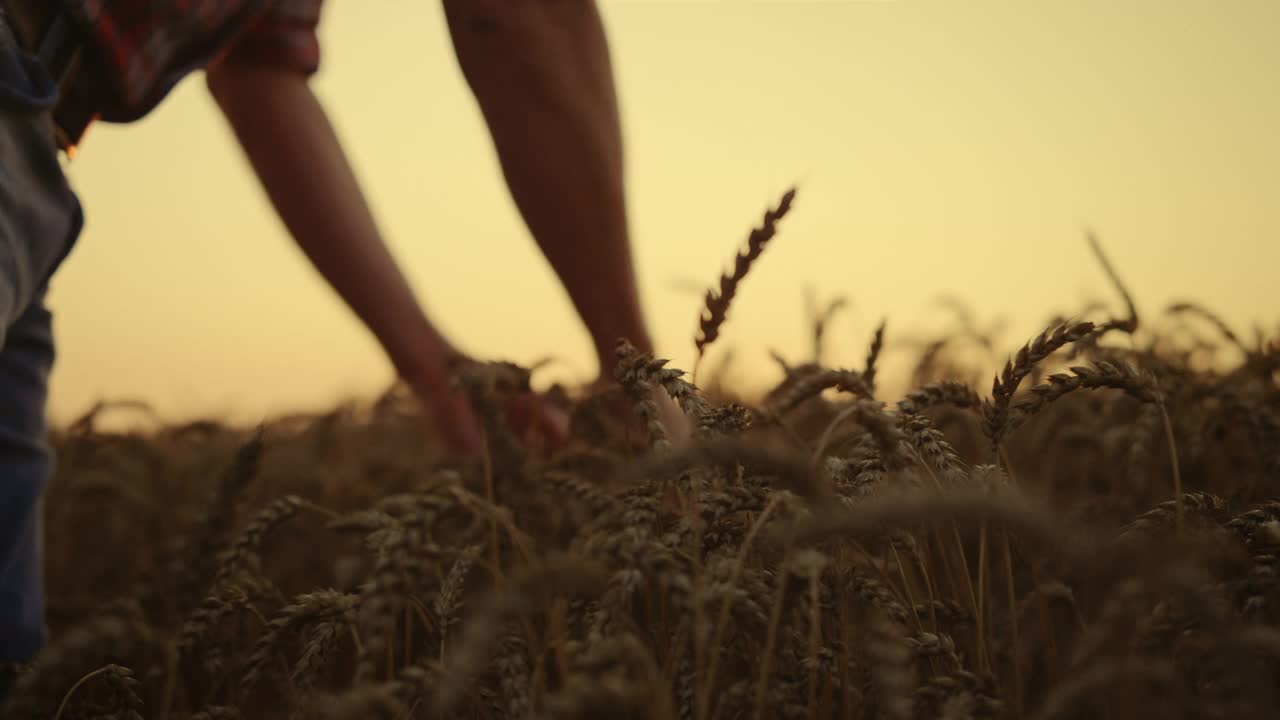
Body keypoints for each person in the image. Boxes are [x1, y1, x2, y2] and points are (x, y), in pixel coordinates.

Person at [0, 0, 681, 672]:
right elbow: (515, 18)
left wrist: (431, 365)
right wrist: (636, 375)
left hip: (34, 150)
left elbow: (259, 72)